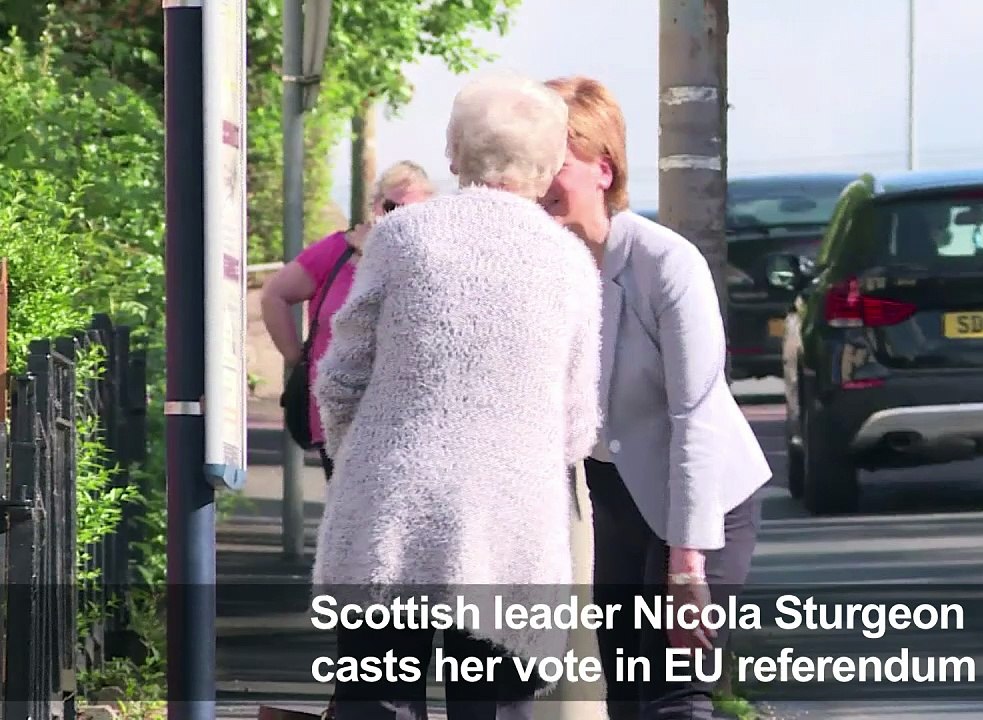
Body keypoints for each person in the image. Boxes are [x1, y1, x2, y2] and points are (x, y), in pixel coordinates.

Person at [311, 71, 603, 720]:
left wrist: (359, 455)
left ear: (454, 153)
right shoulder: (569, 263)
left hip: (392, 507)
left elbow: (341, 376)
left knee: (379, 698)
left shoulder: (402, 237)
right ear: (549, 163)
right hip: (512, 523)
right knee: (492, 705)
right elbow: (577, 424)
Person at [540, 75, 772, 720]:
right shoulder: (540, 270)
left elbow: (695, 416)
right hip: (617, 498)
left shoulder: (665, 263)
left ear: (604, 169)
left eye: (555, 163)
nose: (538, 181)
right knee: (626, 692)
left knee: (677, 689)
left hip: (703, 498)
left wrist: (687, 568)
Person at [260, 161, 436, 478]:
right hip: (337, 411)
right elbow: (274, 295)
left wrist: (377, 253)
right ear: (375, 206)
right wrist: (297, 358)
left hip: (403, 414)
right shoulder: (336, 251)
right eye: (391, 207)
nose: (399, 218)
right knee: (345, 499)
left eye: (412, 211)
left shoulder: (430, 260)